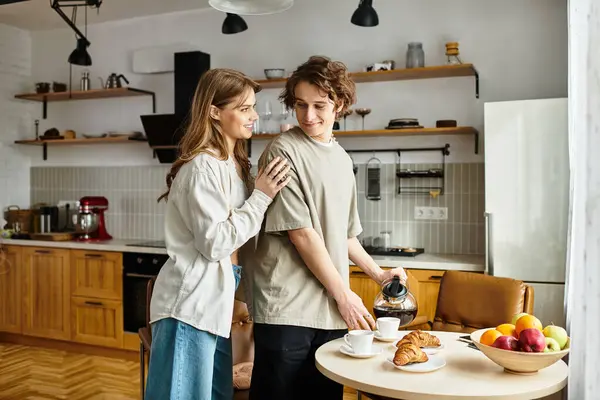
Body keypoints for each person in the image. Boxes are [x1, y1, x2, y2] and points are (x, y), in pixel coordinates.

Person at [248, 56, 408, 400]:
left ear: (341, 104)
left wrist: (378, 275)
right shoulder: (283, 151)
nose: (308, 116)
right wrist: (346, 296)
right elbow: (301, 233)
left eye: (319, 105)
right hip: (286, 309)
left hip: (330, 312)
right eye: (301, 105)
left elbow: (345, 235)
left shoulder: (341, 158)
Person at [144, 68, 291, 400]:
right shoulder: (201, 168)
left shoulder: (234, 166)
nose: (253, 116)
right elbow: (216, 244)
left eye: (253, 106)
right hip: (189, 308)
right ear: (214, 112)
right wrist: (263, 195)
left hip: (216, 306)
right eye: (243, 108)